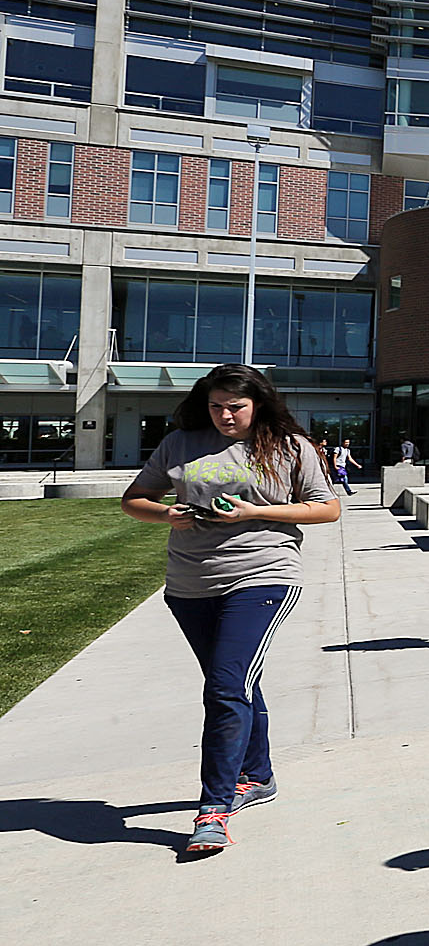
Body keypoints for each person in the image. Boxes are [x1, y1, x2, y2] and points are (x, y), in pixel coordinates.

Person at [118, 364, 341, 853]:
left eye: (235, 407)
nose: (225, 415)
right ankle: (258, 775)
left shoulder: (287, 446)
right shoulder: (180, 442)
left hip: (263, 573)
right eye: (217, 406)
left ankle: (213, 809)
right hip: (190, 583)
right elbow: (134, 499)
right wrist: (167, 514)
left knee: (224, 686)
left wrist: (254, 511)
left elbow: (326, 508)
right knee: (236, 683)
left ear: (257, 403)